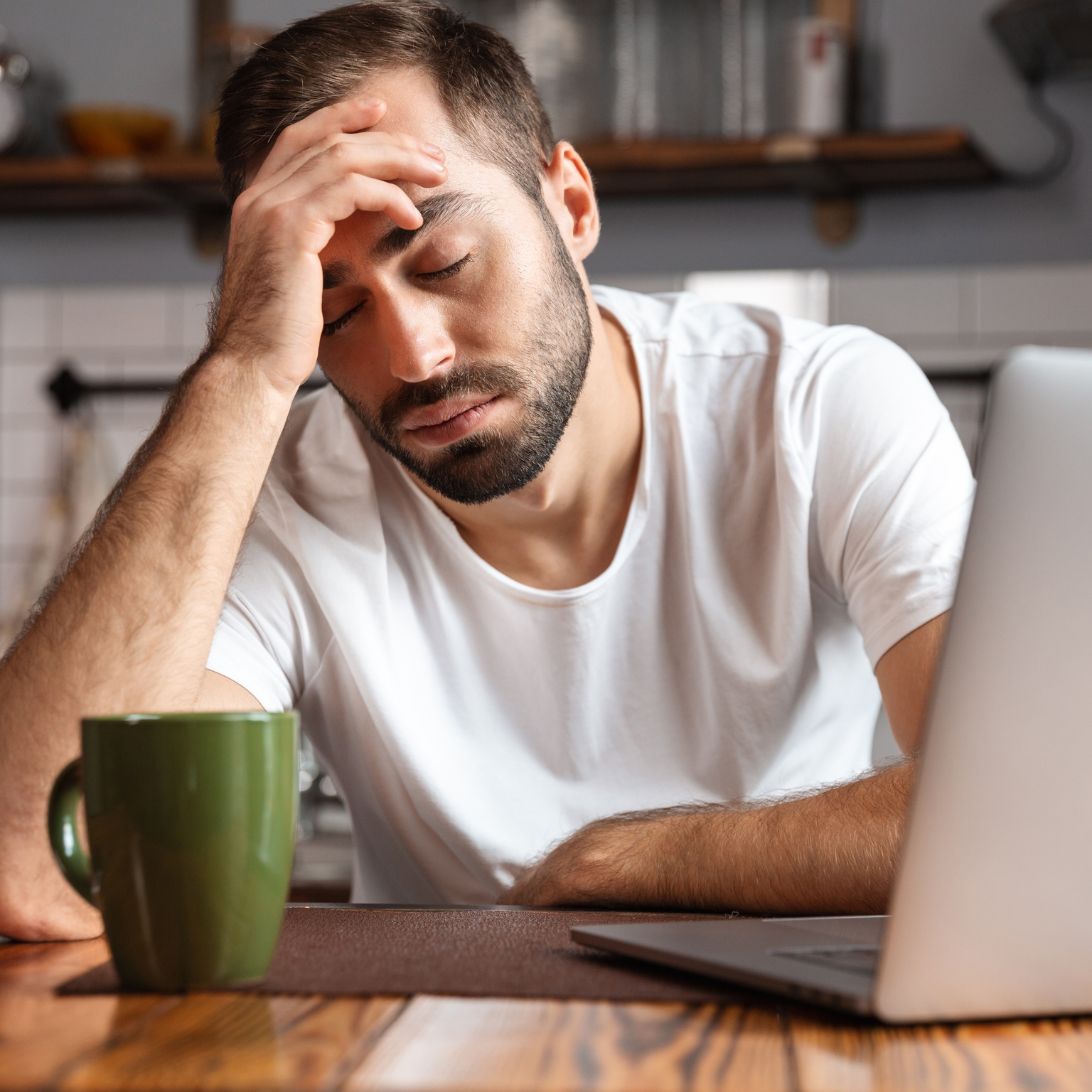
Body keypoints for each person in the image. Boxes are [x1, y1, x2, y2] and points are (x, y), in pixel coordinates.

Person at [0, 1, 973, 941]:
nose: (415, 356)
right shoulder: (281, 494)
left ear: (573, 205)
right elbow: (31, 875)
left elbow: (1025, 799)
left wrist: (629, 862)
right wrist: (245, 364)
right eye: (334, 316)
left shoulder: (819, 404)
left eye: (444, 261)